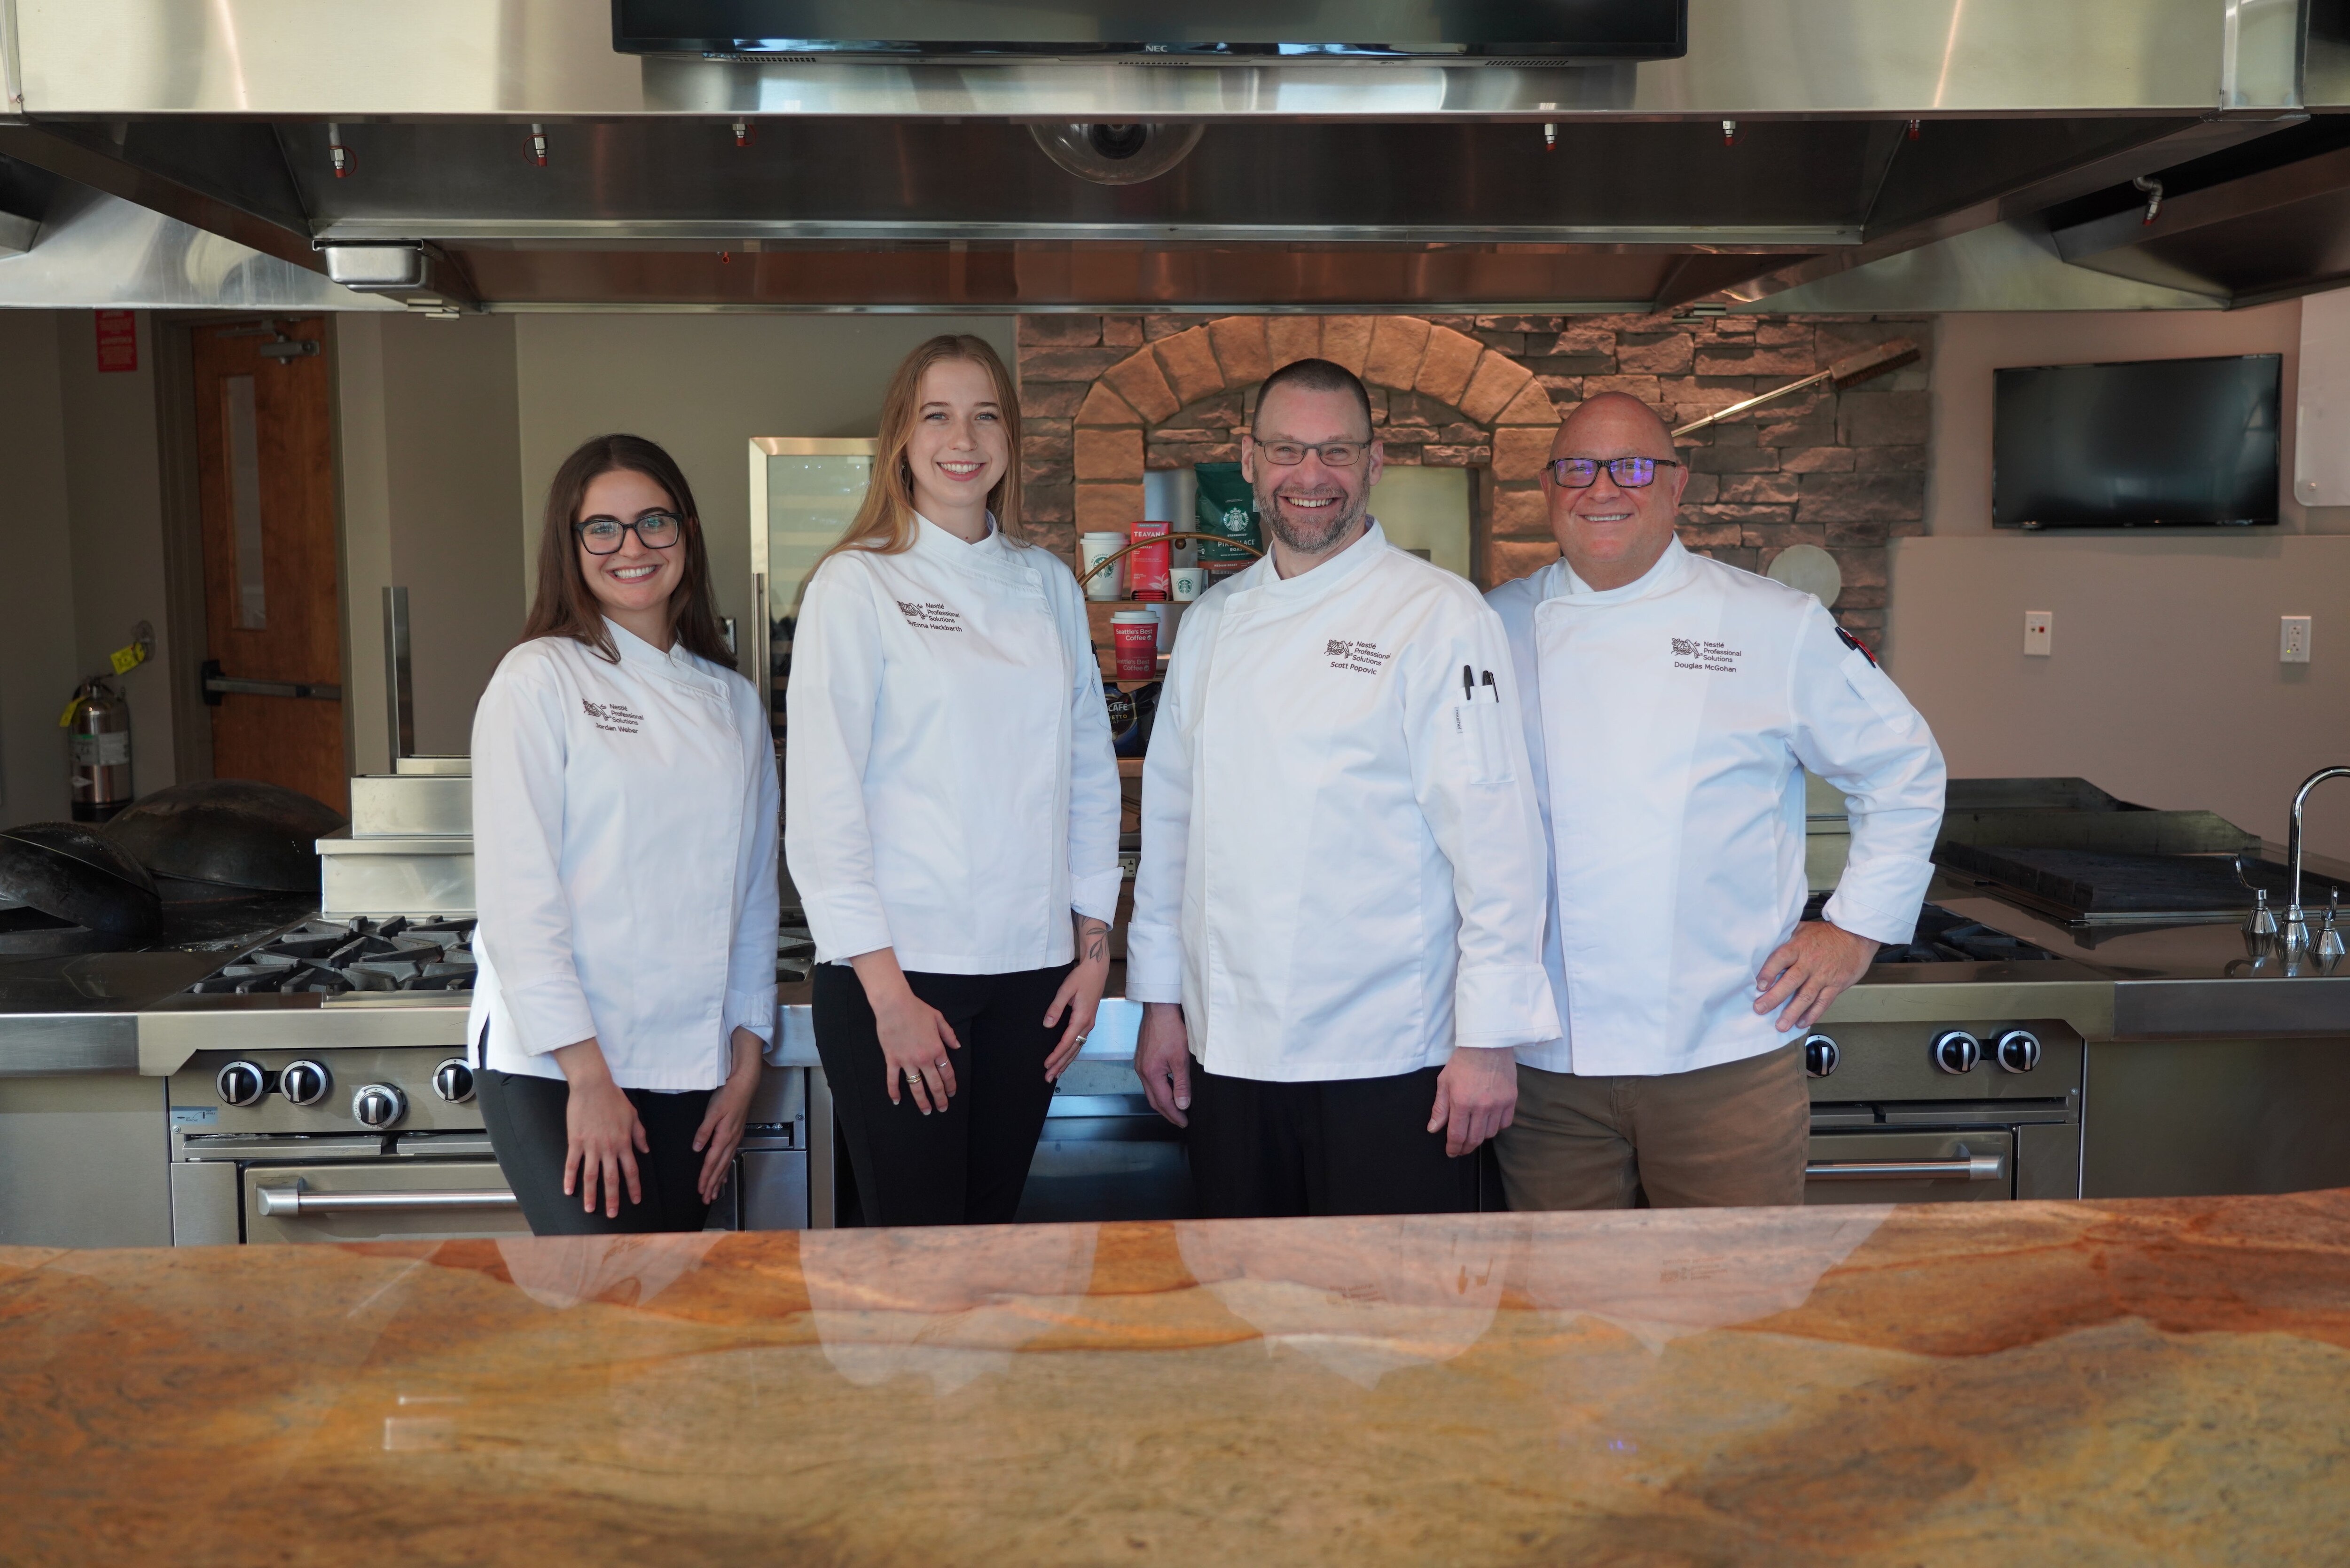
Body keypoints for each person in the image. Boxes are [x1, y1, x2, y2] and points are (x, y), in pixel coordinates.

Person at [1487, 392, 1946, 1209]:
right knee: (1568, 1322)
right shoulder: (1492, 628)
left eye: (1632, 467)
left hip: (1727, 1063)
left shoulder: (1773, 623)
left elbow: (1904, 765)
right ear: (1549, 488)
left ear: (1677, 487)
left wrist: (1855, 930)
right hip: (1546, 1073)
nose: (1602, 489)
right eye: (1576, 468)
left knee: (1734, 1313)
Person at [1128, 357, 1558, 1218]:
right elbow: (1173, 831)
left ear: (1375, 462)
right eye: (1288, 450)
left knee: (1388, 1333)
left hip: (1391, 1059)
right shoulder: (1212, 625)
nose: (1311, 477)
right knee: (1248, 1311)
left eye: (1336, 451)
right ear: (1249, 459)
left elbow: (1497, 842)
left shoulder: (1440, 617)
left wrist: (1488, 1040)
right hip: (1233, 1050)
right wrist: (1160, 1005)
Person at [787, 335, 1120, 1227]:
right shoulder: (856, 585)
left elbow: (1088, 776)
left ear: (1010, 439)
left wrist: (1095, 952)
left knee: (989, 1246)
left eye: (984, 415)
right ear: (901, 435)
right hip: (898, 978)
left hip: (1033, 979)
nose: (961, 437)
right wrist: (885, 995)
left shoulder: (1047, 584)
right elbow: (823, 808)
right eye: (936, 414)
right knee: (918, 1260)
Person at [469, 434, 780, 1234]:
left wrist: (745, 1059)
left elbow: (750, 895)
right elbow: (518, 902)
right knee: (605, 1319)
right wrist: (589, 1079)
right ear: (569, 548)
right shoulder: (538, 678)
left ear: (688, 534)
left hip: (695, 1065)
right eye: (601, 528)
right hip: (557, 1068)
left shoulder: (734, 702)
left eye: (653, 523)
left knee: (674, 1321)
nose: (631, 547)